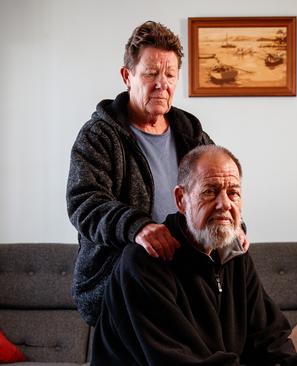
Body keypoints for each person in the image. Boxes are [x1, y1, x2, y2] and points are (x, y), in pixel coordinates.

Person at [66, 21, 247, 326]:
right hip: (121, 286)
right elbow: (84, 203)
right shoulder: (99, 135)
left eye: (170, 74)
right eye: (150, 73)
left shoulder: (194, 135)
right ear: (128, 76)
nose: (161, 83)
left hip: (184, 283)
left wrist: (234, 227)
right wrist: (138, 227)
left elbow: (220, 191)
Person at [92, 145, 297, 365]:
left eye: (233, 192)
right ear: (181, 199)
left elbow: (269, 340)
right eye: (210, 191)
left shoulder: (234, 253)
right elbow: (178, 360)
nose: (225, 204)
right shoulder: (144, 263)